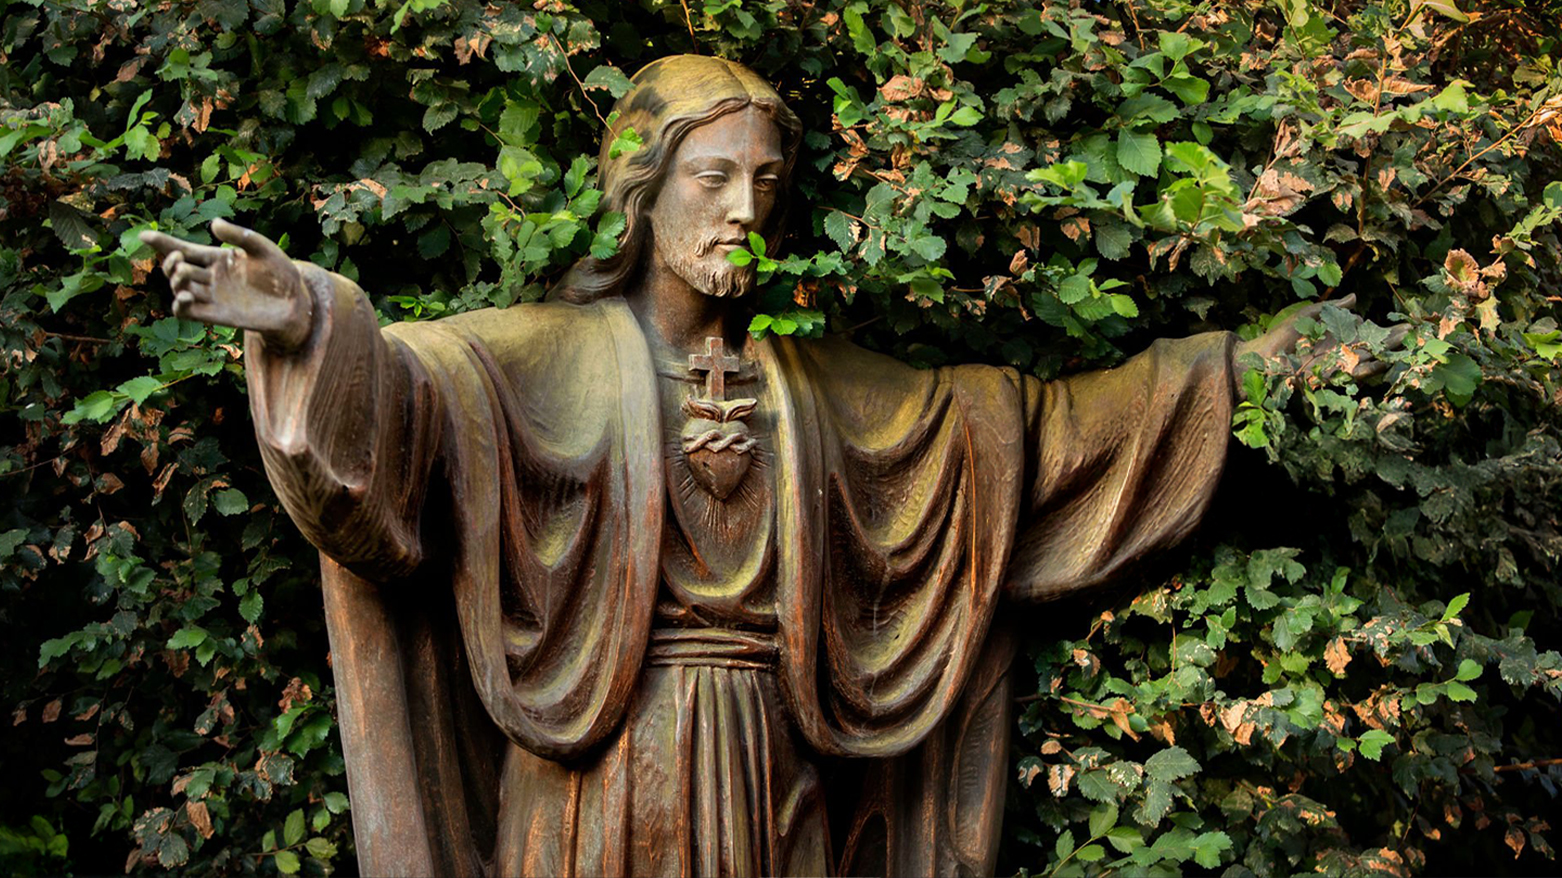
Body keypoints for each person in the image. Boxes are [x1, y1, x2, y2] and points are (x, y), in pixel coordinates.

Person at [142, 54, 1359, 878]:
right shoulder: (530, 358)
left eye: (763, 183)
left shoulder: (816, 390)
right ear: (642, 185)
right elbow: (396, 414)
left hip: (778, 766)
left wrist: (1237, 371)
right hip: (588, 780)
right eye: (711, 176)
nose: (741, 208)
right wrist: (307, 316)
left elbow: (1029, 434)